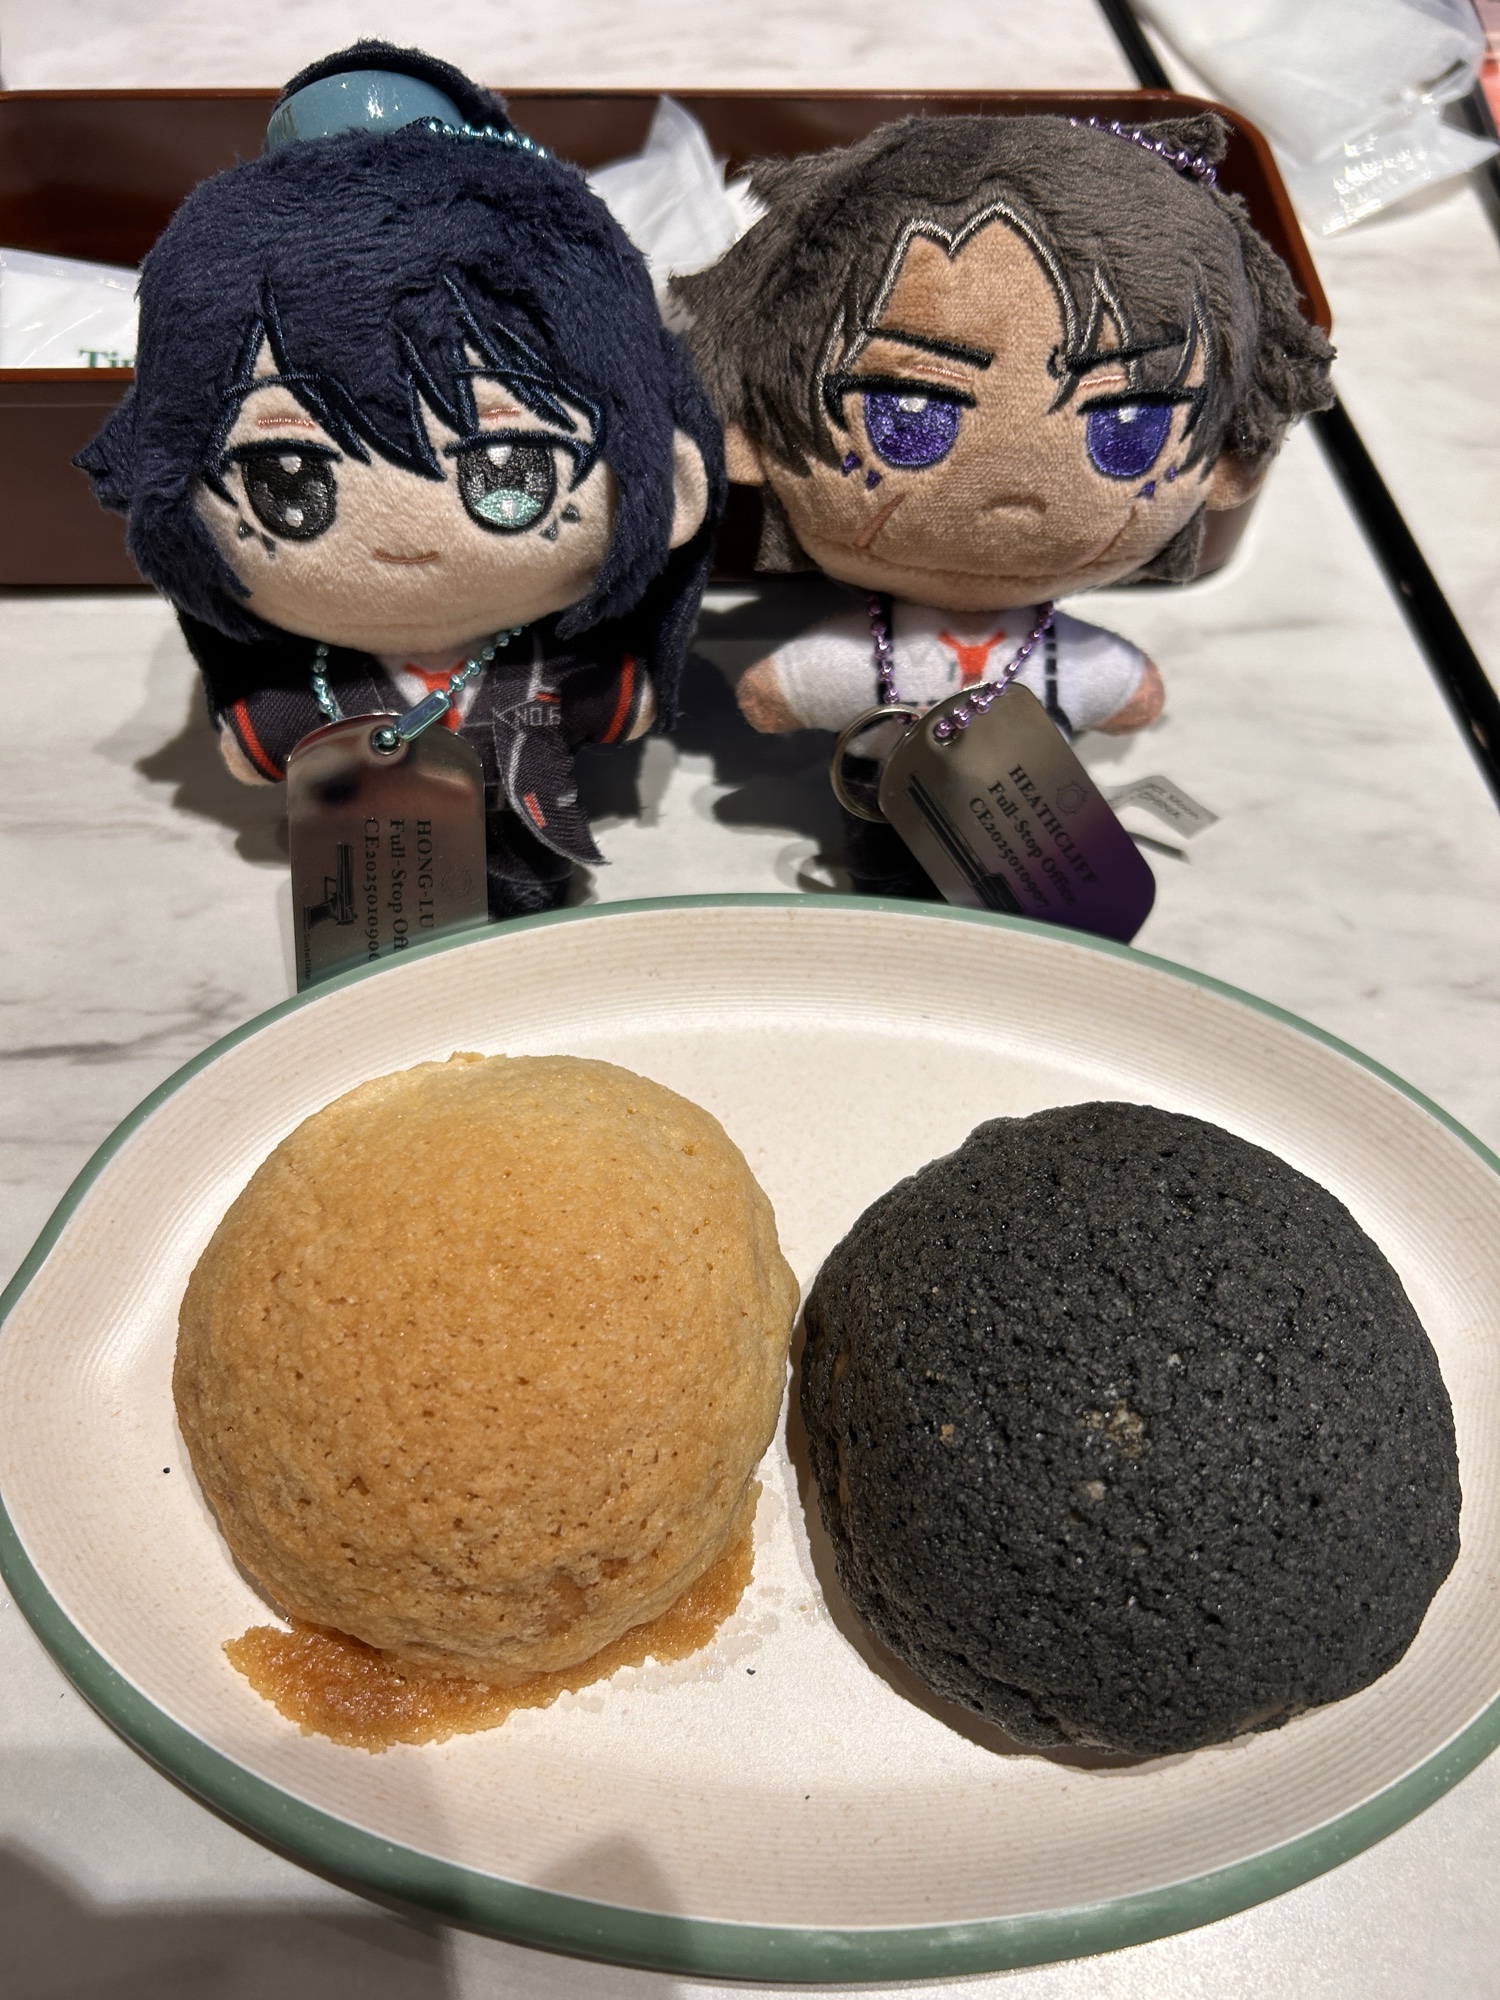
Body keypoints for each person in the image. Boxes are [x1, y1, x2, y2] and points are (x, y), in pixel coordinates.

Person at [80, 42, 723, 917]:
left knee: (525, 893)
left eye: (508, 472)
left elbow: (614, 699)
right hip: (367, 870)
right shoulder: (322, 692)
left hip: (525, 839)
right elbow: (263, 738)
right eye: (288, 483)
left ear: (673, 482)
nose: (404, 535)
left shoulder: (541, 668)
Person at [674, 111, 1332, 892]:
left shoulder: (1053, 656)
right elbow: (783, 691)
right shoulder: (876, 650)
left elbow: (1124, 691)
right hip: (887, 815)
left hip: (1035, 833)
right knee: (891, 875)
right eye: (908, 415)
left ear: (1226, 467)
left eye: (1125, 427)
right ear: (748, 439)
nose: (1017, 491)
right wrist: (779, 693)